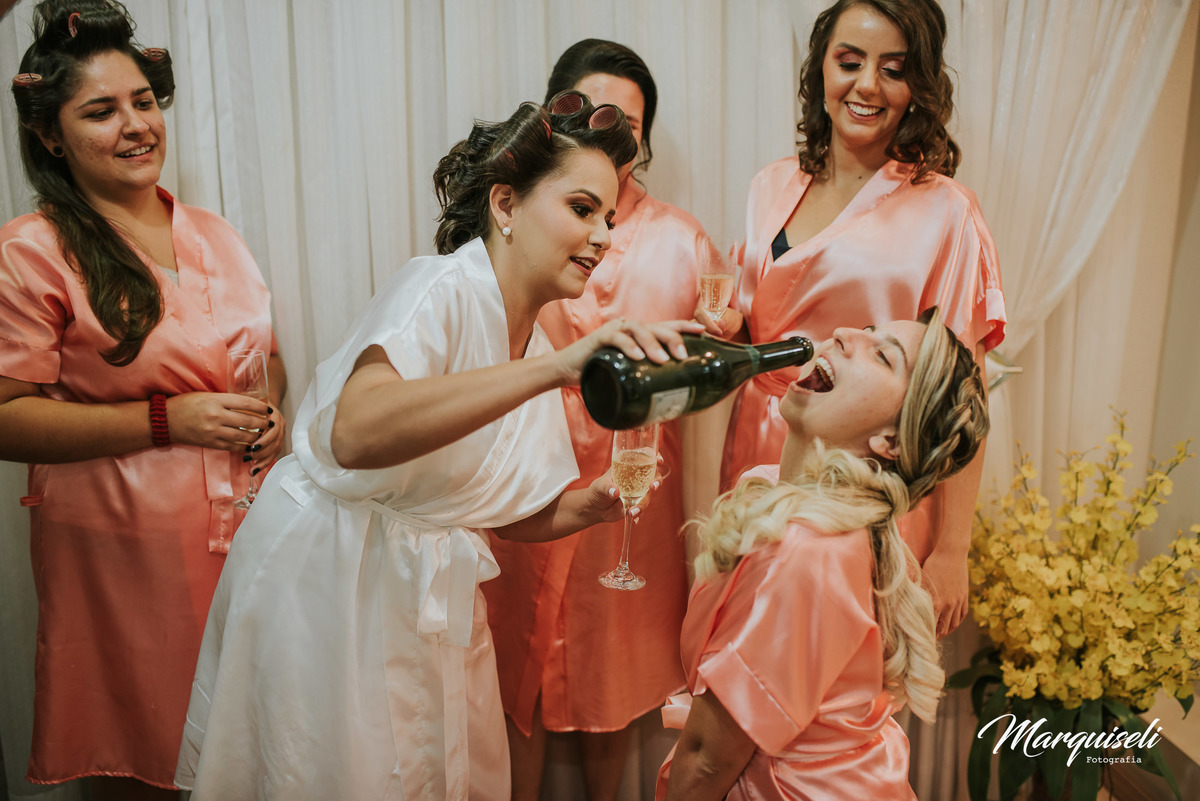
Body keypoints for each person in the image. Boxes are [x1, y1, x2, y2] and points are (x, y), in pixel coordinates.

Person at [174, 91, 699, 801]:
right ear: (505, 204)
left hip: (427, 587)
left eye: (609, 216)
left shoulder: (533, 342)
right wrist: (555, 370)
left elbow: (501, 511)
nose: (603, 236)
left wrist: (591, 505)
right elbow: (354, 433)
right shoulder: (439, 289)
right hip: (332, 574)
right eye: (582, 209)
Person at [0, 2, 285, 798]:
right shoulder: (33, 249)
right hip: (124, 553)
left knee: (243, 752)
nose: (135, 125)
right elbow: (5, 415)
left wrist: (273, 414)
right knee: (144, 756)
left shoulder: (214, 230)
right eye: (100, 111)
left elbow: (261, 358)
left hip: (246, 532)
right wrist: (166, 418)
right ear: (50, 135)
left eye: (144, 101)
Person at [701, 0, 1005, 638]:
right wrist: (722, 327)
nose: (867, 85)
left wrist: (953, 547)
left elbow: (963, 385)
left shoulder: (946, 211)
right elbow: (755, 321)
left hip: (864, 470)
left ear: (918, 86)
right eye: (849, 61)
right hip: (759, 445)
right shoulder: (771, 184)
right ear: (821, 70)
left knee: (838, 657)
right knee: (742, 638)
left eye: (893, 69)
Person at [483, 39, 714, 801]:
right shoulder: (517, 217)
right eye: (593, 112)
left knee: (613, 691)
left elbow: (710, 362)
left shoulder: (684, 240)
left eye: (631, 125)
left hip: (632, 499)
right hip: (525, 478)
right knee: (510, 677)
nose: (611, 135)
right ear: (555, 115)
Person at [656, 308, 990, 800]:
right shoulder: (791, 501)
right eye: (868, 330)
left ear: (890, 440)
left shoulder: (809, 546)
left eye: (883, 355)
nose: (843, 332)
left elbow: (708, 761)